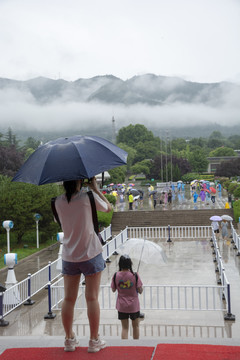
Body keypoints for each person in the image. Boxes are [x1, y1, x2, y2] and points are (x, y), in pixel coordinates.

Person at [54, 177, 112, 353]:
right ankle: (94, 340)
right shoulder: (88, 197)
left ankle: (69, 339)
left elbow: (61, 223)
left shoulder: (56, 202)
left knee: (69, 299)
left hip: (69, 255)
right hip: (90, 253)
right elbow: (108, 208)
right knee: (92, 298)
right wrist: (95, 188)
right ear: (80, 180)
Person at [111, 255, 143, 339]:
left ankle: (124, 346)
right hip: (134, 306)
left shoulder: (115, 275)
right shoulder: (135, 275)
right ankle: (136, 345)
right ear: (130, 264)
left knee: (124, 328)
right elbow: (140, 290)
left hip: (122, 305)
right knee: (135, 326)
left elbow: (113, 290)